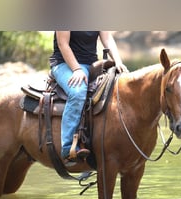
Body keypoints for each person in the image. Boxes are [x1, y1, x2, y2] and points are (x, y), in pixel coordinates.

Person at [49, 31, 128, 166]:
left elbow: (107, 38)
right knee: (78, 92)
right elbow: (63, 44)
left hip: (92, 65)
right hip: (65, 64)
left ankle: (99, 143)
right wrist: (77, 69)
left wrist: (118, 62)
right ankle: (68, 148)